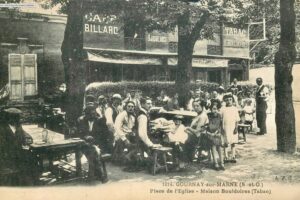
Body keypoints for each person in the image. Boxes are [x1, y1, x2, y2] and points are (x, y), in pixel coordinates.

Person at [0, 108, 37, 186]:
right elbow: (3, 145)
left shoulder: (17, 125)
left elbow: (24, 133)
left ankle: (33, 181)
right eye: (15, 117)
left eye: (17, 117)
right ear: (8, 117)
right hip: (6, 156)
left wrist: (28, 138)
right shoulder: (2, 127)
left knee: (33, 158)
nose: (17, 119)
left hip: (18, 153)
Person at [76, 104, 108, 182]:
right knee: (93, 150)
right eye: (90, 114)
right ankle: (100, 174)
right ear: (86, 114)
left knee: (94, 151)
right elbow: (78, 133)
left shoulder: (100, 121)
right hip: (84, 144)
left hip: (98, 144)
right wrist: (85, 137)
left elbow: (104, 135)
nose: (93, 116)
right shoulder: (82, 120)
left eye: (94, 114)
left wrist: (95, 142)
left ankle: (94, 174)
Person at [112, 101, 137, 167]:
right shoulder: (122, 115)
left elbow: (129, 128)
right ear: (126, 107)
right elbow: (117, 128)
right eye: (129, 106)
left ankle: (129, 157)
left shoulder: (132, 117)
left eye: (132, 107)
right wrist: (125, 139)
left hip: (127, 134)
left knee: (138, 142)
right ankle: (120, 159)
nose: (131, 108)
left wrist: (132, 132)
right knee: (121, 142)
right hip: (120, 135)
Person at [220, 93, 240, 163]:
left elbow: (237, 119)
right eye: (227, 100)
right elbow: (220, 119)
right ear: (225, 101)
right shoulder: (223, 109)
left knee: (233, 142)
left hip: (233, 127)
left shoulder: (235, 109)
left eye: (230, 100)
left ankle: (233, 156)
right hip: (225, 127)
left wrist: (236, 128)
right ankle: (225, 156)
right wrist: (221, 128)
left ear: (233, 100)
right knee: (225, 142)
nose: (229, 101)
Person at [207, 102, 225, 170]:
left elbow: (219, 126)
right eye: (214, 109)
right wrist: (211, 133)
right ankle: (216, 163)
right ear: (211, 109)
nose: (215, 110)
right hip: (209, 133)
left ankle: (222, 163)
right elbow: (209, 126)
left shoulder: (219, 116)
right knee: (213, 146)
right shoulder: (208, 116)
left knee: (219, 148)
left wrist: (217, 132)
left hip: (217, 133)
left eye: (217, 109)